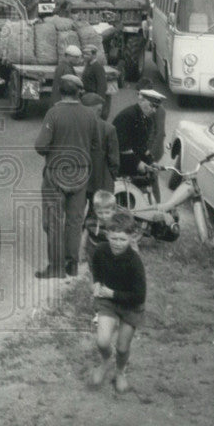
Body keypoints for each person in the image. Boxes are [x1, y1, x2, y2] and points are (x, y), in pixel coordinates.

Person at [34, 74, 100, 279]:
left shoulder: (53, 113)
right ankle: (72, 265)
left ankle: (55, 267)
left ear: (61, 92)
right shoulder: (90, 115)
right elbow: (96, 144)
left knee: (53, 220)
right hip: (81, 173)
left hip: (56, 173)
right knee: (74, 220)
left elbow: (41, 145)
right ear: (78, 92)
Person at [88, 203, 147, 393]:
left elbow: (139, 296)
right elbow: (95, 267)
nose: (117, 243)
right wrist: (96, 282)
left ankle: (120, 371)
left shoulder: (134, 262)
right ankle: (105, 361)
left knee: (122, 347)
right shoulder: (100, 251)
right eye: (114, 238)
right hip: (109, 302)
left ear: (131, 238)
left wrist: (112, 293)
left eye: (122, 239)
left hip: (131, 305)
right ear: (107, 235)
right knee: (102, 341)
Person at [112, 88, 165, 181]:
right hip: (117, 162)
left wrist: (151, 161)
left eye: (156, 107)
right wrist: (137, 163)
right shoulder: (128, 116)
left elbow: (142, 145)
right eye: (152, 106)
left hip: (129, 160)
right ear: (141, 101)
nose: (154, 110)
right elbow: (122, 146)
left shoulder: (147, 119)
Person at [81, 92, 120, 213]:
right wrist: (112, 176)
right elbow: (114, 160)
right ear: (99, 109)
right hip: (101, 181)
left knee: (75, 214)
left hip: (80, 181)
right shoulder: (109, 129)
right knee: (97, 215)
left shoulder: (76, 126)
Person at [135, 78, 167, 202]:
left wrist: (151, 154)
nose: (138, 96)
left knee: (152, 178)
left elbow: (160, 133)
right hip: (145, 148)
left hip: (153, 149)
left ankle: (158, 204)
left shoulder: (159, 109)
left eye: (140, 93)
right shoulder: (144, 105)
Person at [81, 44, 109, 121]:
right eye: (84, 54)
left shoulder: (98, 67)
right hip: (87, 96)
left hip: (93, 97)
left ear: (94, 55)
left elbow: (102, 86)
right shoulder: (88, 65)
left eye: (87, 54)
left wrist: (99, 101)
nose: (85, 56)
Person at [49, 44, 80, 110]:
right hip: (62, 100)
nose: (78, 59)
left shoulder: (61, 66)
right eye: (76, 57)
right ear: (68, 56)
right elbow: (69, 87)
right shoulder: (67, 68)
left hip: (57, 99)